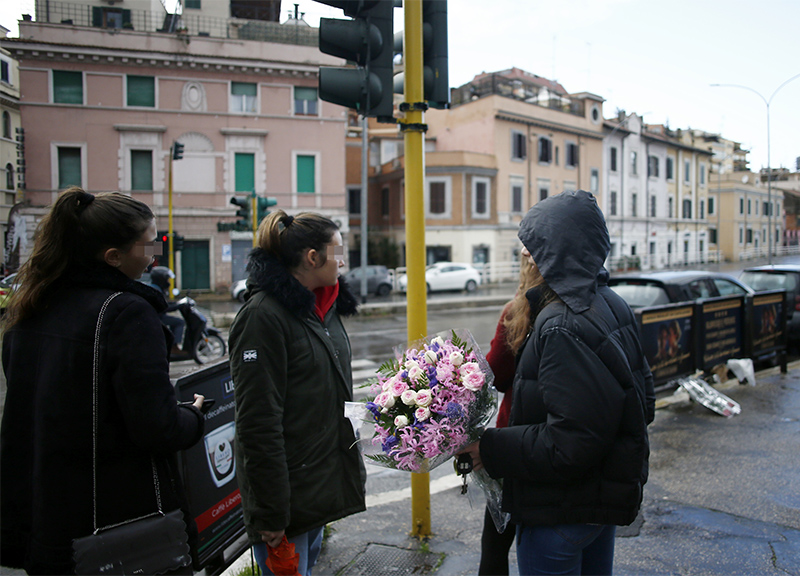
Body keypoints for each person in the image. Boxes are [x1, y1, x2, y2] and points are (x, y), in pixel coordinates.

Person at [0, 187, 206, 575]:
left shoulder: (30, 309)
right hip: (119, 531)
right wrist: (192, 416)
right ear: (113, 257)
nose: (155, 254)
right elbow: (156, 427)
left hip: (49, 521)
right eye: (149, 244)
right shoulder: (127, 313)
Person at [460, 190, 655, 576]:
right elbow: (643, 401)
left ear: (561, 249)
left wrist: (490, 448)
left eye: (535, 245)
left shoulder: (561, 323)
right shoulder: (611, 302)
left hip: (559, 511)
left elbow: (569, 442)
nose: (526, 255)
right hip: (595, 504)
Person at [229, 209, 366, 576]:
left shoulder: (324, 308)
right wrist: (270, 514)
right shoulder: (263, 317)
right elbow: (257, 424)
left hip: (316, 488)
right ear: (312, 258)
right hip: (285, 500)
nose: (343, 261)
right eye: (338, 251)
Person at [478, 256, 536, 576]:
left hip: (512, 437)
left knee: (497, 539)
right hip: (555, 445)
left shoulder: (518, 311)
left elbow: (497, 376)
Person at [149, 265, 186, 354]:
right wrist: (177, 306)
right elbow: (164, 308)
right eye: (167, 279)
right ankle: (174, 347)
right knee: (179, 322)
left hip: (157, 316)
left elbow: (164, 303)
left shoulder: (155, 288)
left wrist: (176, 304)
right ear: (161, 279)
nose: (168, 282)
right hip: (158, 318)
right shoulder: (156, 290)